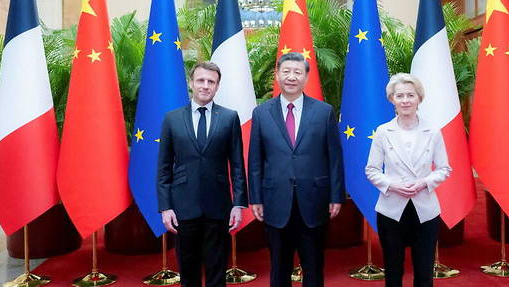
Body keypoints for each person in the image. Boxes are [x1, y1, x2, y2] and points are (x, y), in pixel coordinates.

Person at [248, 52, 345, 287]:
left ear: (306, 77)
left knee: (313, 266)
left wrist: (336, 196)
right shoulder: (261, 113)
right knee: (279, 267)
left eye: (297, 72)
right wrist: (256, 198)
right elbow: (255, 160)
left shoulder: (324, 112)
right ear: (278, 75)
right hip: (275, 201)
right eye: (286, 71)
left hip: (314, 200)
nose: (291, 77)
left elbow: (334, 158)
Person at [157, 61, 248, 287]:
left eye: (211, 82)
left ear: (217, 86)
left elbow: (237, 164)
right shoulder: (172, 119)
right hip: (183, 207)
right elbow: (164, 166)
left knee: (217, 270)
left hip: (218, 207)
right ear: (191, 83)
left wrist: (238, 203)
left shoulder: (229, 118)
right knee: (188, 271)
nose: (205, 86)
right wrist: (165, 207)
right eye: (201, 80)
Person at [365, 73, 451, 287]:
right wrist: (393, 185)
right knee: (393, 272)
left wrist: (424, 182)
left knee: (424, 273)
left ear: (419, 98)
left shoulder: (433, 131)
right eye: (399, 95)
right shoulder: (383, 132)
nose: (405, 100)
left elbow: (444, 169)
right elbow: (372, 170)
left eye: (410, 95)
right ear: (392, 99)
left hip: (425, 210)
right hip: (391, 210)